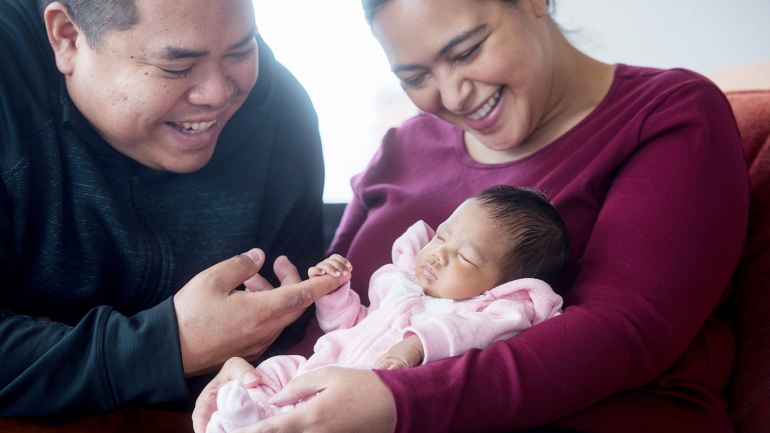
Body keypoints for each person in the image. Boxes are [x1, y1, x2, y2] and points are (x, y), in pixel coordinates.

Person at [194, 0, 750, 432]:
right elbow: (335, 321)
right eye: (415, 76)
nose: (454, 94)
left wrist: (398, 402)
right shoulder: (400, 150)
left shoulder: (668, 115)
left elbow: (624, 333)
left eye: (466, 51)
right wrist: (257, 378)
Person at [0, 0, 345, 419]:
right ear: (68, 38)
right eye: (177, 68)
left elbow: (280, 358)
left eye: (241, 51)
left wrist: (269, 325)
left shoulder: (282, 120)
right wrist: (169, 346)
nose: (218, 94)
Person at [206, 185, 567, 432]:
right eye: (442, 235)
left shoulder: (482, 315)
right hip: (319, 365)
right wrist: (333, 292)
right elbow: (348, 324)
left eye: (465, 256)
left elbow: (460, 337)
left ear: (500, 285)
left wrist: (413, 346)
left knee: (311, 415)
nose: (439, 252)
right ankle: (249, 415)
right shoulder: (398, 283)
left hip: (362, 398)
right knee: (274, 369)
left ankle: (255, 420)